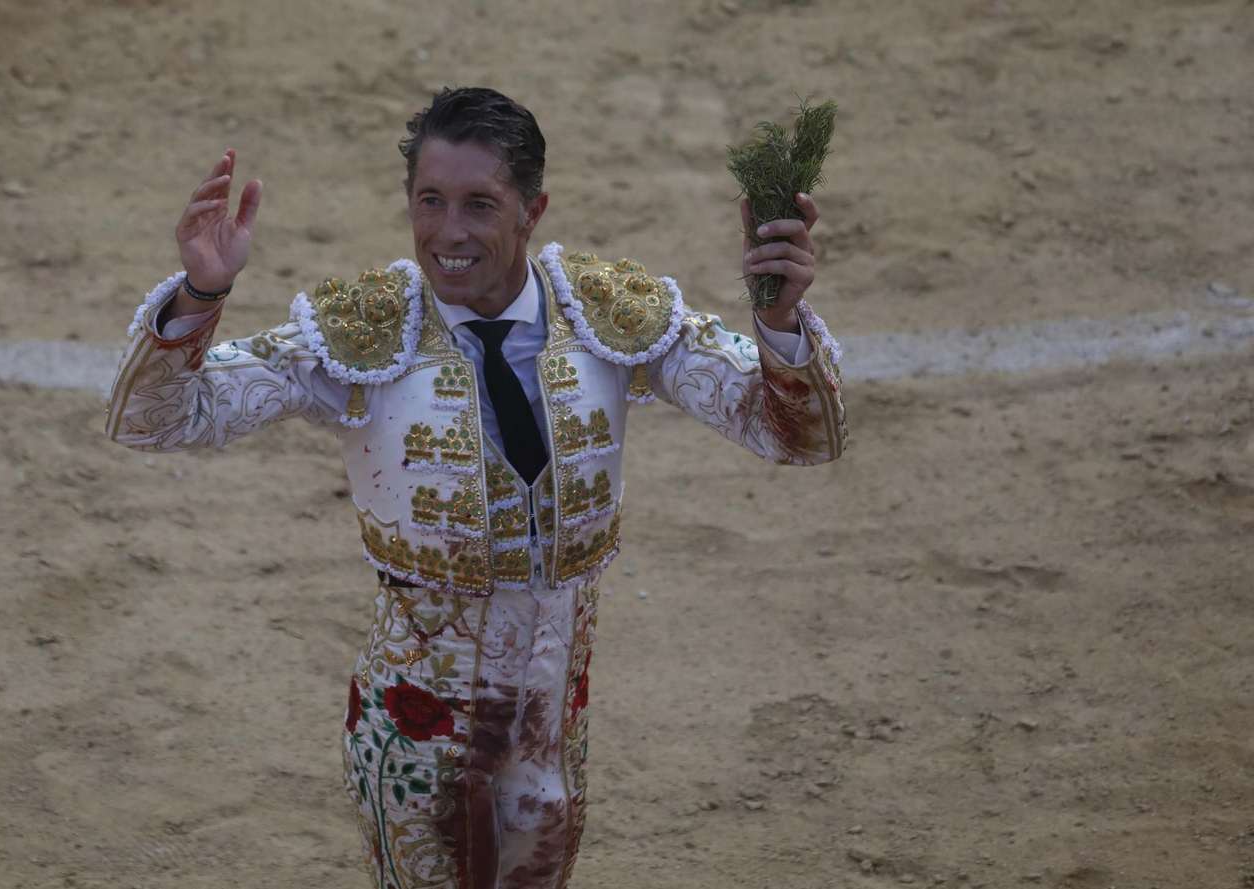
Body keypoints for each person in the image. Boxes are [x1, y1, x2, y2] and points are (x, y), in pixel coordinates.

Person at [104, 87, 845, 889]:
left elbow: (794, 433)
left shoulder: (608, 317)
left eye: (478, 204)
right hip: (415, 736)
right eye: (430, 201)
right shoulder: (364, 332)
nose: (447, 233)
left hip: (552, 731)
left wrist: (779, 318)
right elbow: (156, 420)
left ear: (533, 210)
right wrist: (200, 295)